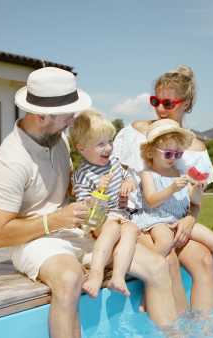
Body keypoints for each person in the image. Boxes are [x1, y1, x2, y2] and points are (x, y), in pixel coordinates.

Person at [0, 67, 178, 338]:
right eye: (68, 116)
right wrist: (53, 220)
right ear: (42, 117)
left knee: (158, 266)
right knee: (69, 279)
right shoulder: (12, 161)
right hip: (34, 239)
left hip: (76, 229)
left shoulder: (58, 138)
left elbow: (71, 188)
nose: (73, 122)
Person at [113, 65, 213, 313]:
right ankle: (177, 328)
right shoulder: (137, 131)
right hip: (139, 219)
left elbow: (196, 201)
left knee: (206, 261)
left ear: (185, 104)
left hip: (174, 221)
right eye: (155, 101)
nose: (160, 109)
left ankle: (204, 329)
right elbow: (114, 172)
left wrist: (189, 220)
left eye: (168, 102)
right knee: (170, 262)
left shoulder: (195, 148)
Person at [134, 119, 213, 301]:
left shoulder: (179, 173)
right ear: (151, 151)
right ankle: (148, 284)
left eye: (178, 154)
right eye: (168, 154)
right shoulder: (148, 174)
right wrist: (171, 189)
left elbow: (193, 199)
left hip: (179, 218)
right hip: (157, 219)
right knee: (163, 241)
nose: (174, 159)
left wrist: (198, 192)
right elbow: (152, 202)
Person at [69, 109, 139, 299]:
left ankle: (117, 276)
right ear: (82, 148)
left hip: (119, 214)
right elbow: (85, 206)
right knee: (112, 230)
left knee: (132, 229)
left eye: (110, 141)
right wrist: (98, 191)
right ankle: (95, 274)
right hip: (99, 218)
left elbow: (127, 177)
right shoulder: (82, 174)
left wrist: (128, 182)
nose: (108, 148)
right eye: (100, 144)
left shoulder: (113, 163)